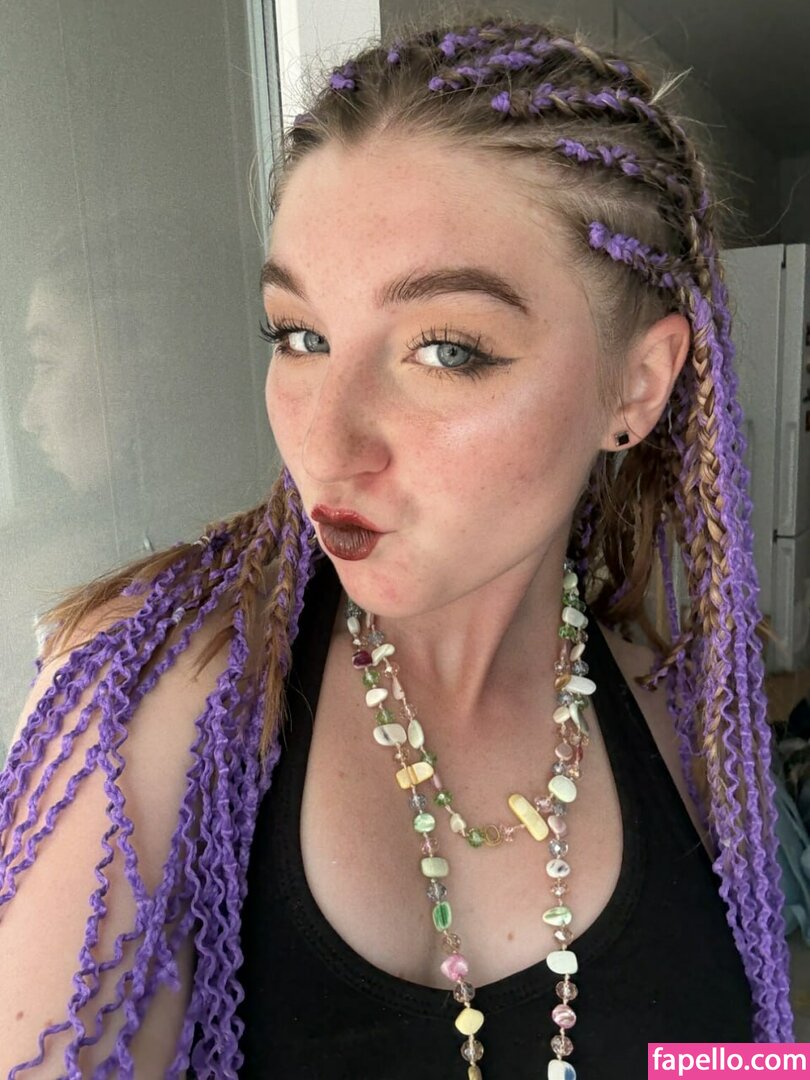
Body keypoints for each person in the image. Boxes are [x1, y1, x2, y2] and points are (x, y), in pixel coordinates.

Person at [0, 14, 795, 1079]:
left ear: (637, 386)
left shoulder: (681, 721)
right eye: (301, 336)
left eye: (446, 350)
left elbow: (744, 1058)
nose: (325, 445)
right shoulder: (147, 701)